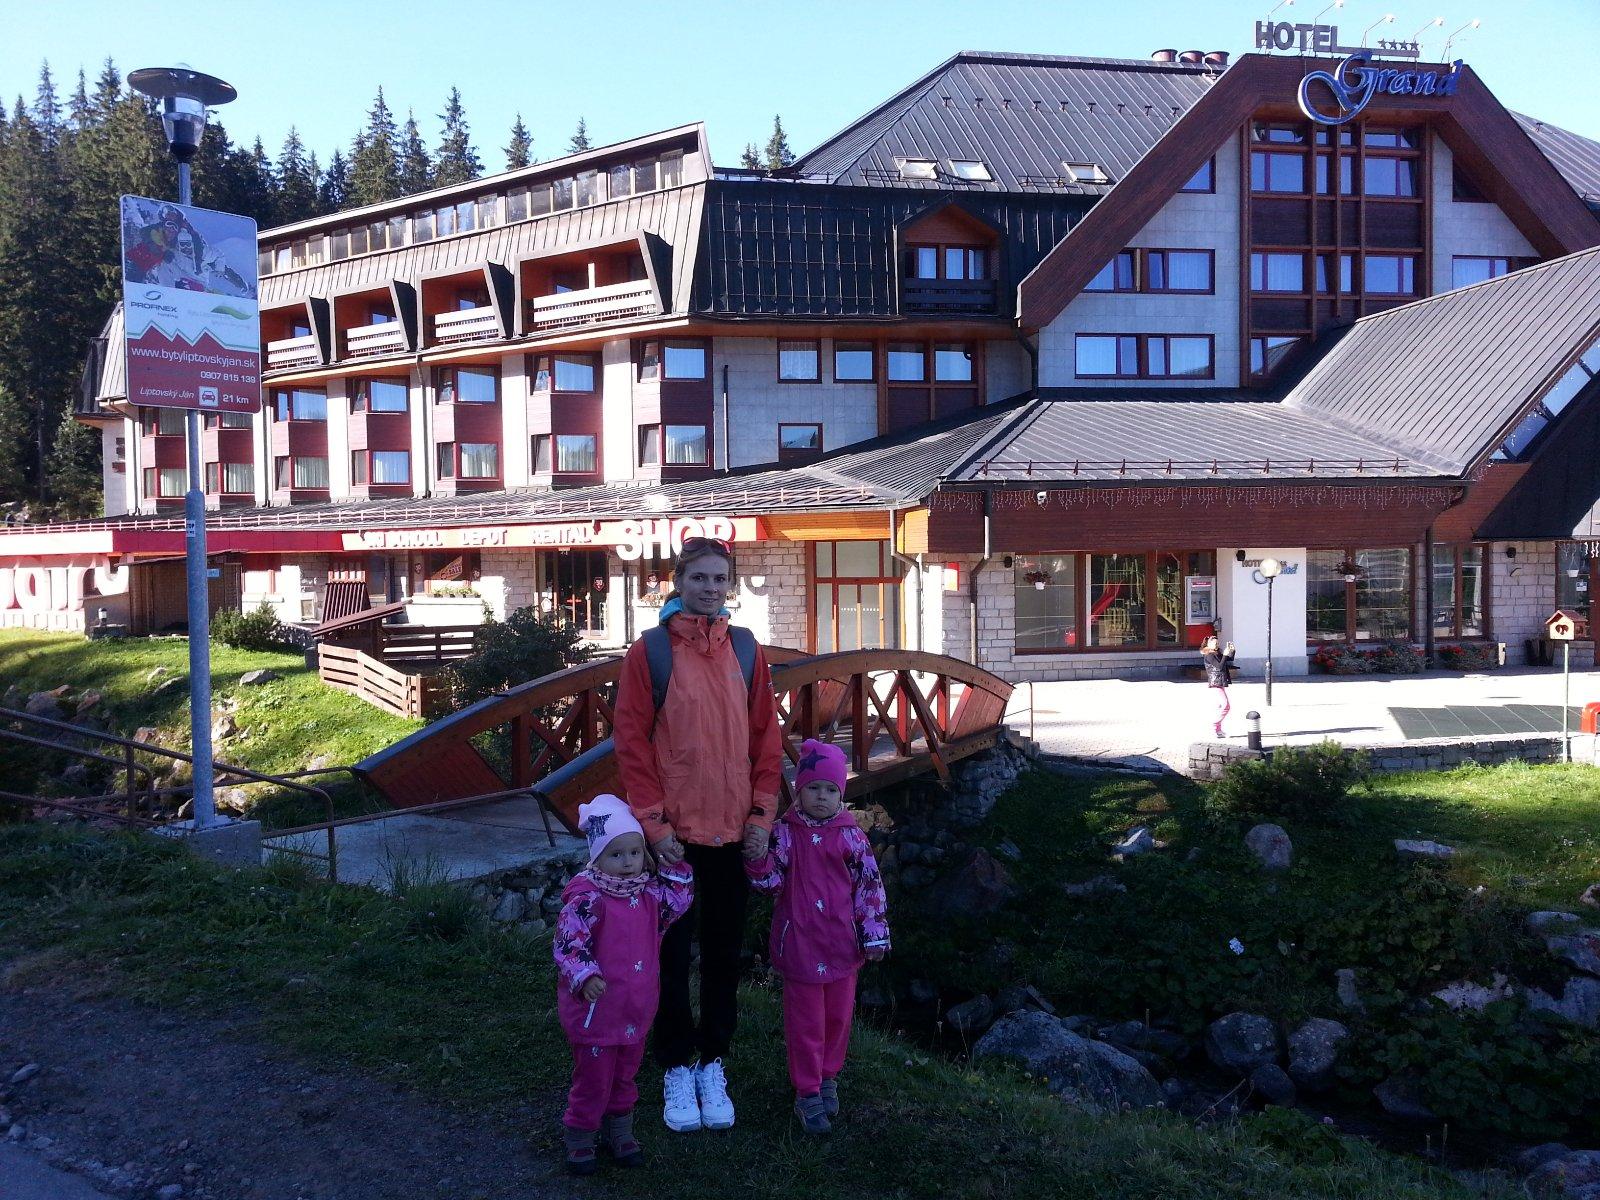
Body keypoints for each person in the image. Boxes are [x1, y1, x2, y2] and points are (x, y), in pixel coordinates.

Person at [611, 536, 784, 1133]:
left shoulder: (745, 649)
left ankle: (713, 1059)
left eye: (719, 578)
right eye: (699, 578)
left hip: (734, 830)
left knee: (723, 952)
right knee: (668, 954)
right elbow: (632, 746)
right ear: (678, 582)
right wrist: (654, 827)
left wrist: (762, 817)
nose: (710, 588)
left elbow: (766, 740)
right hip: (675, 838)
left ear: (729, 585)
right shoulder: (651, 652)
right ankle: (674, 1063)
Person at [746, 739, 889, 1134]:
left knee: (838, 1018)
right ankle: (807, 1090)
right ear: (799, 791)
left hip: (842, 944)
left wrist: (874, 934)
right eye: (813, 788)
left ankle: (828, 1076)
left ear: (841, 794)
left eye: (830, 789)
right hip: (801, 944)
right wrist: (756, 861)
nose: (821, 797)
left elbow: (869, 886)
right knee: (806, 1022)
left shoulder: (852, 836)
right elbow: (772, 885)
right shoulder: (785, 834)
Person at [552, 794, 694, 1175]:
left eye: (634, 852)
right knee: (594, 1077)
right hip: (596, 1011)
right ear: (597, 858)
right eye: (616, 854)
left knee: (625, 1073)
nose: (628, 862)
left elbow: (679, 901)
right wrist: (585, 975)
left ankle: (620, 1129)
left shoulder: (649, 894)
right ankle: (581, 1132)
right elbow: (569, 943)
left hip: (635, 1008)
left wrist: (675, 864)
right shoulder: (587, 898)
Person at [1201, 634, 1236, 739]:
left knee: (1220, 706)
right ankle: (1215, 725)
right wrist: (1225, 655)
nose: (1216, 645)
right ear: (1209, 644)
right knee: (1226, 706)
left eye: (1217, 643)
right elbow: (1220, 666)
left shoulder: (1216, 653)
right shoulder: (1209, 654)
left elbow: (1229, 659)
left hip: (1220, 682)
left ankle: (1217, 730)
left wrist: (1232, 651)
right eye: (1214, 643)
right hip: (1215, 683)